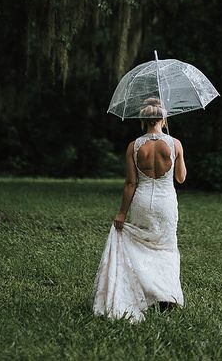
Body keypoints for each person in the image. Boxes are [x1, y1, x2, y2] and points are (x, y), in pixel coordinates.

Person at [92, 98, 187, 323]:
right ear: (163, 118)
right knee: (166, 247)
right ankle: (166, 298)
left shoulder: (134, 146)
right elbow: (181, 178)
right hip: (165, 204)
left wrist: (122, 213)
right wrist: (178, 152)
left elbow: (130, 183)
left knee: (142, 247)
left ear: (143, 121)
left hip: (142, 202)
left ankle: (143, 293)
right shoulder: (175, 143)